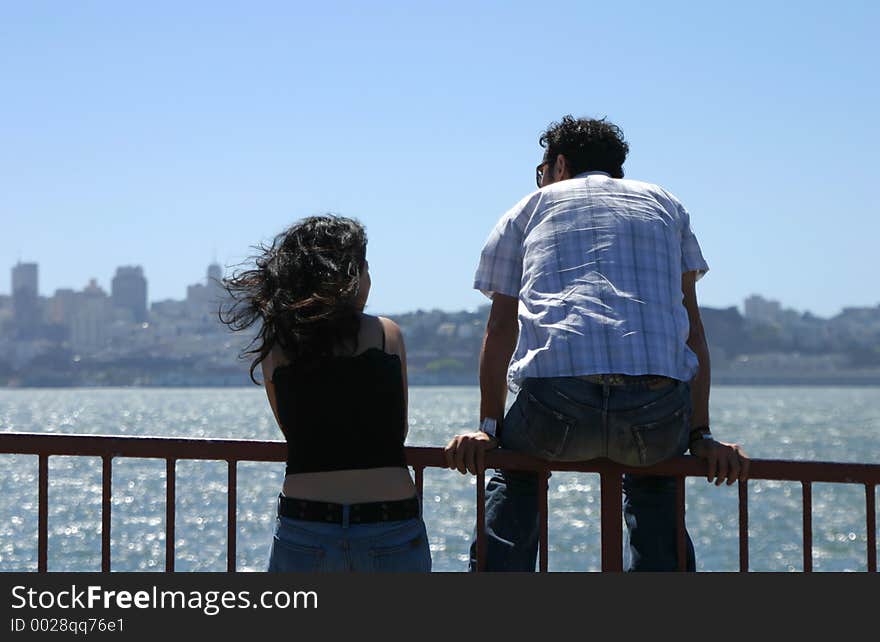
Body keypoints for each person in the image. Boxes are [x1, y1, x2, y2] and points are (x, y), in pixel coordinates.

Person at [444, 115, 749, 571]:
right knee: (655, 480)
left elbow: (501, 329)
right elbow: (692, 329)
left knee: (515, 471)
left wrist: (488, 428)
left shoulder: (528, 207)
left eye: (542, 169)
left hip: (555, 402)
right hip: (655, 406)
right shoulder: (665, 204)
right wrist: (700, 435)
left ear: (559, 164)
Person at [221, 215, 430, 572]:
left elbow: (294, 433)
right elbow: (399, 430)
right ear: (352, 275)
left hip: (306, 522)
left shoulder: (278, 350)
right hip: (389, 521)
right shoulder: (385, 334)